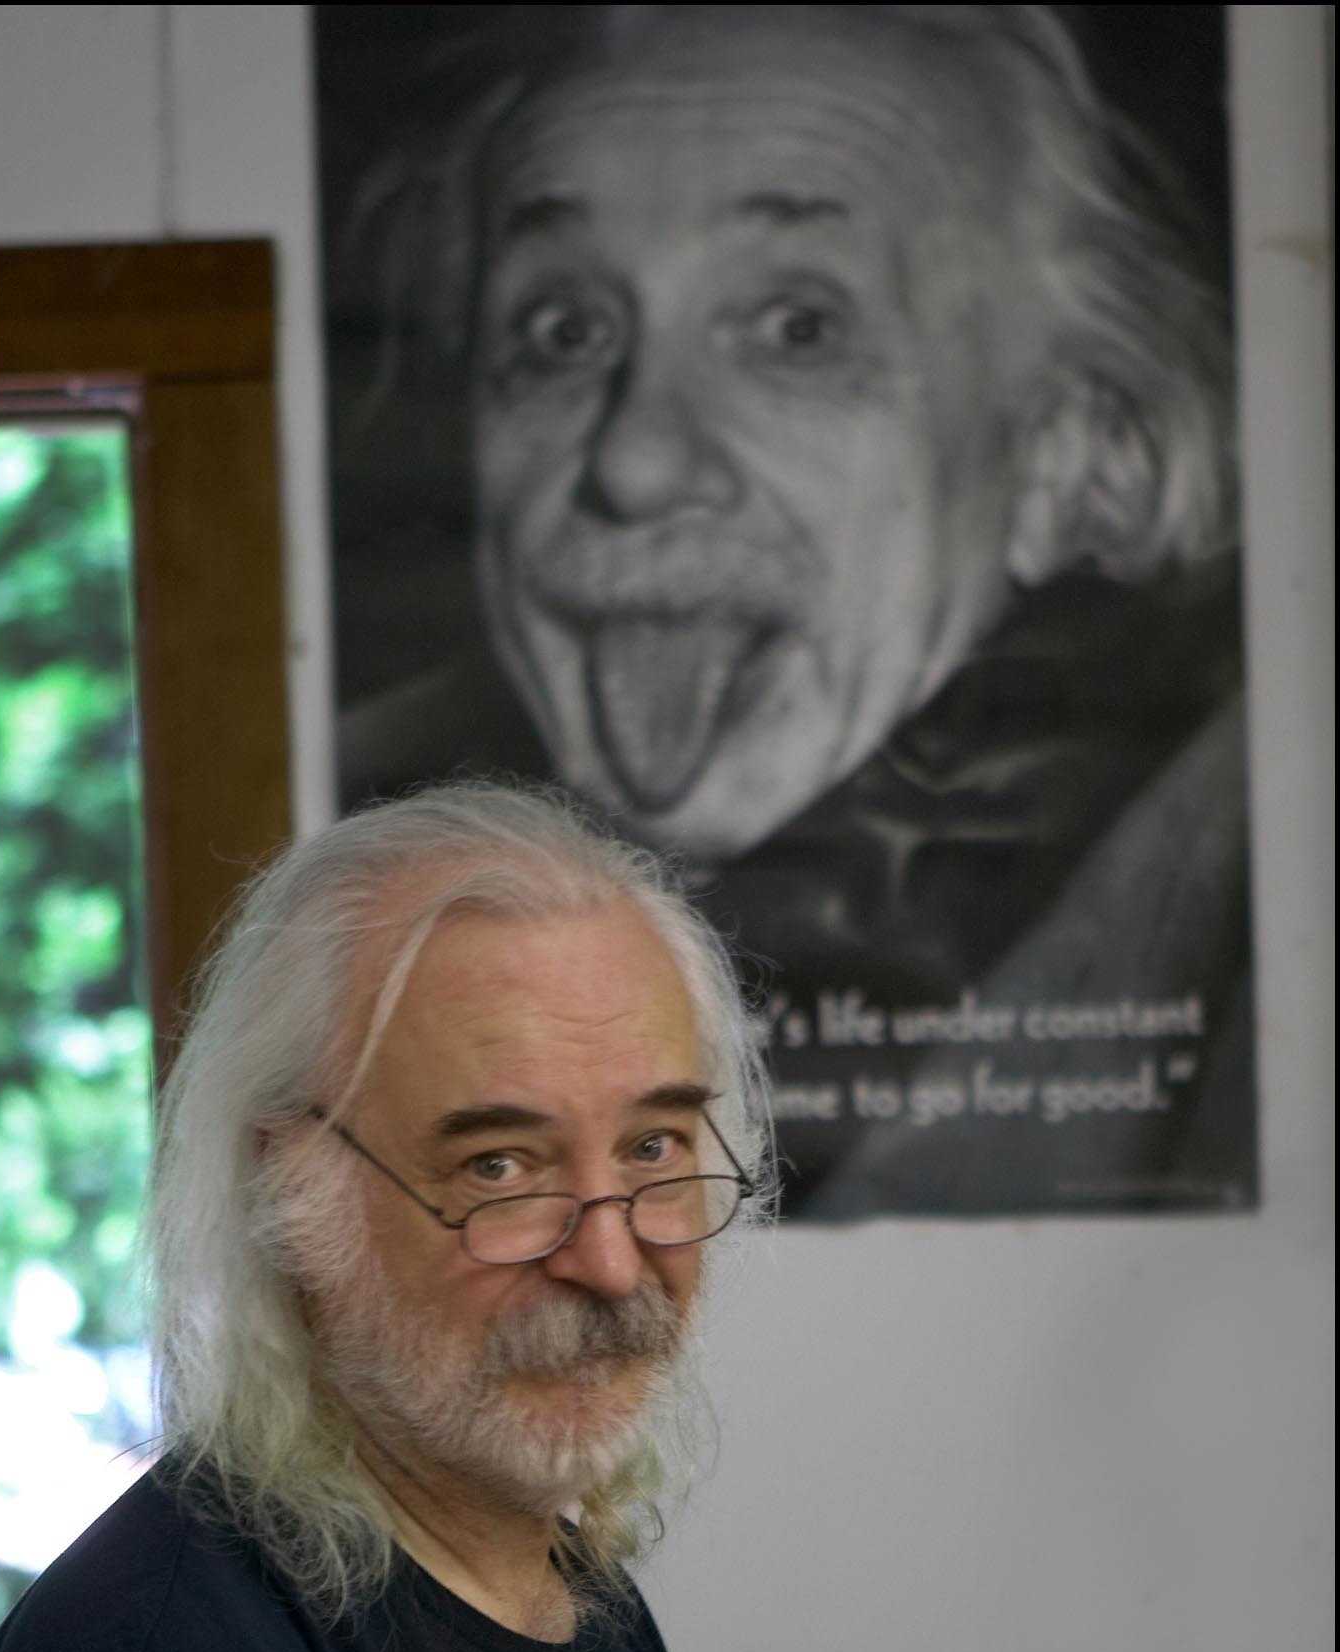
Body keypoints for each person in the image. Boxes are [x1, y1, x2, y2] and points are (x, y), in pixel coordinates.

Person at [332, 3, 1254, 1216]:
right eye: (563, 331)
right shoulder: (366, 911)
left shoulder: (1233, 901)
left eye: (797, 328)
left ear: (1076, 455)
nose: (635, 463)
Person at [0, 783, 796, 1652]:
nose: (611, 1260)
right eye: (500, 1167)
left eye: (653, 1148)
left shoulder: (568, 1594)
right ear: (294, 1195)